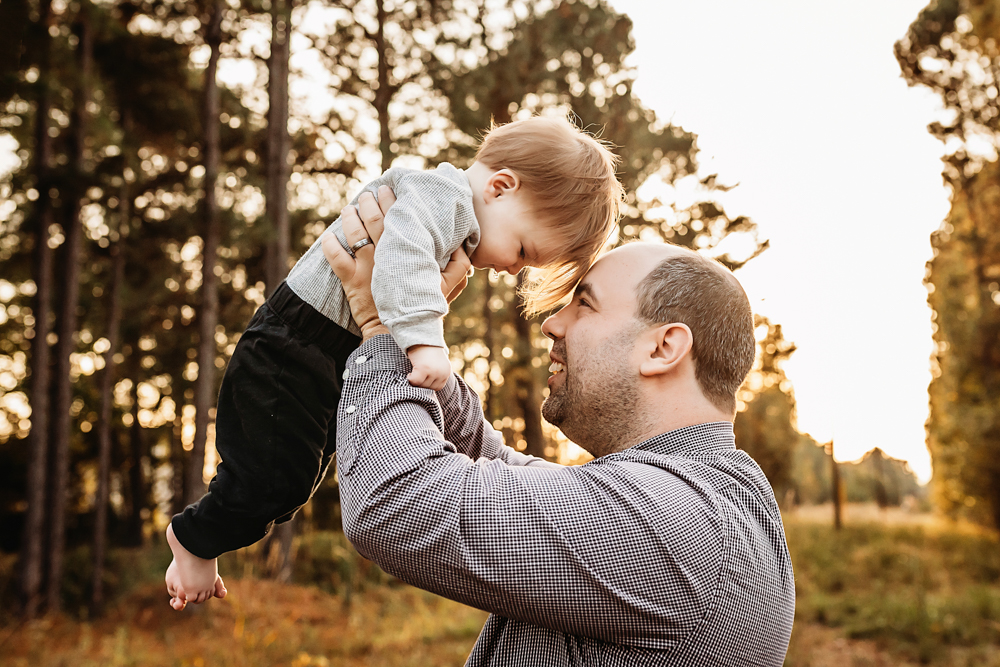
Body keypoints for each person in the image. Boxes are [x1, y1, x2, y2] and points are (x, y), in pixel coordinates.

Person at [164, 115, 625, 609]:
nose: (514, 268)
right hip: (292, 344)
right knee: (270, 479)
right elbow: (400, 257)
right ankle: (194, 539)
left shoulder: (452, 218)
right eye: (524, 251)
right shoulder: (439, 196)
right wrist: (426, 342)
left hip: (326, 351)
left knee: (293, 484)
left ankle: (204, 538)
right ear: (500, 187)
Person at [323, 191, 796, 666]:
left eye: (584, 306)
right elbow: (490, 465)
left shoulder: (687, 518)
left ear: (662, 348)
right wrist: (420, 332)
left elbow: (400, 501)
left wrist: (384, 327)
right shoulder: (696, 494)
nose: (552, 323)